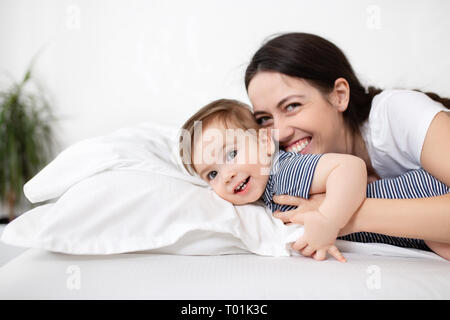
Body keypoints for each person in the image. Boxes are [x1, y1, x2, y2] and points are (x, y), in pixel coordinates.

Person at [244, 32, 450, 260]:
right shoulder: (296, 174)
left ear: (339, 96)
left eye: (292, 106)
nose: (279, 132)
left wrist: (343, 216)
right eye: (264, 119)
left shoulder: (398, 113)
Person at [179, 99, 450, 261]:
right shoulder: (266, 188)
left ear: (264, 142)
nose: (227, 175)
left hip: (423, 194)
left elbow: (349, 168)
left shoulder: (282, 172)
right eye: (212, 174)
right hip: (414, 226)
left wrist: (328, 220)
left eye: (232, 153)